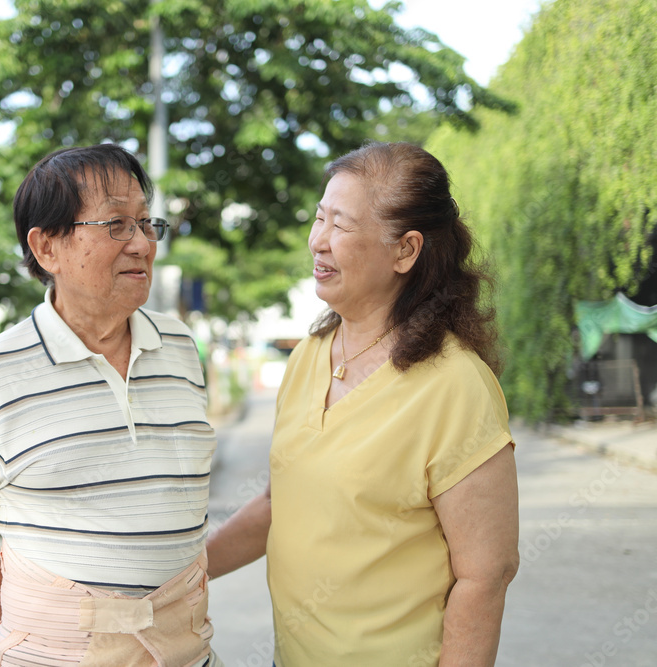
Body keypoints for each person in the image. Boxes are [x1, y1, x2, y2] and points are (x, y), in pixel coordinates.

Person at [207, 141, 520, 666]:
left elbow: (486, 575)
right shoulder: (308, 355)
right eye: (319, 218)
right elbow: (280, 504)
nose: (318, 241)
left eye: (341, 225)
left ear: (406, 251)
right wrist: (183, 572)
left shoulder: (455, 385)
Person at [0, 143, 221, 666]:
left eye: (145, 222)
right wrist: (45, 633)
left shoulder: (180, 347)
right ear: (47, 248)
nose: (142, 244)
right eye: (116, 225)